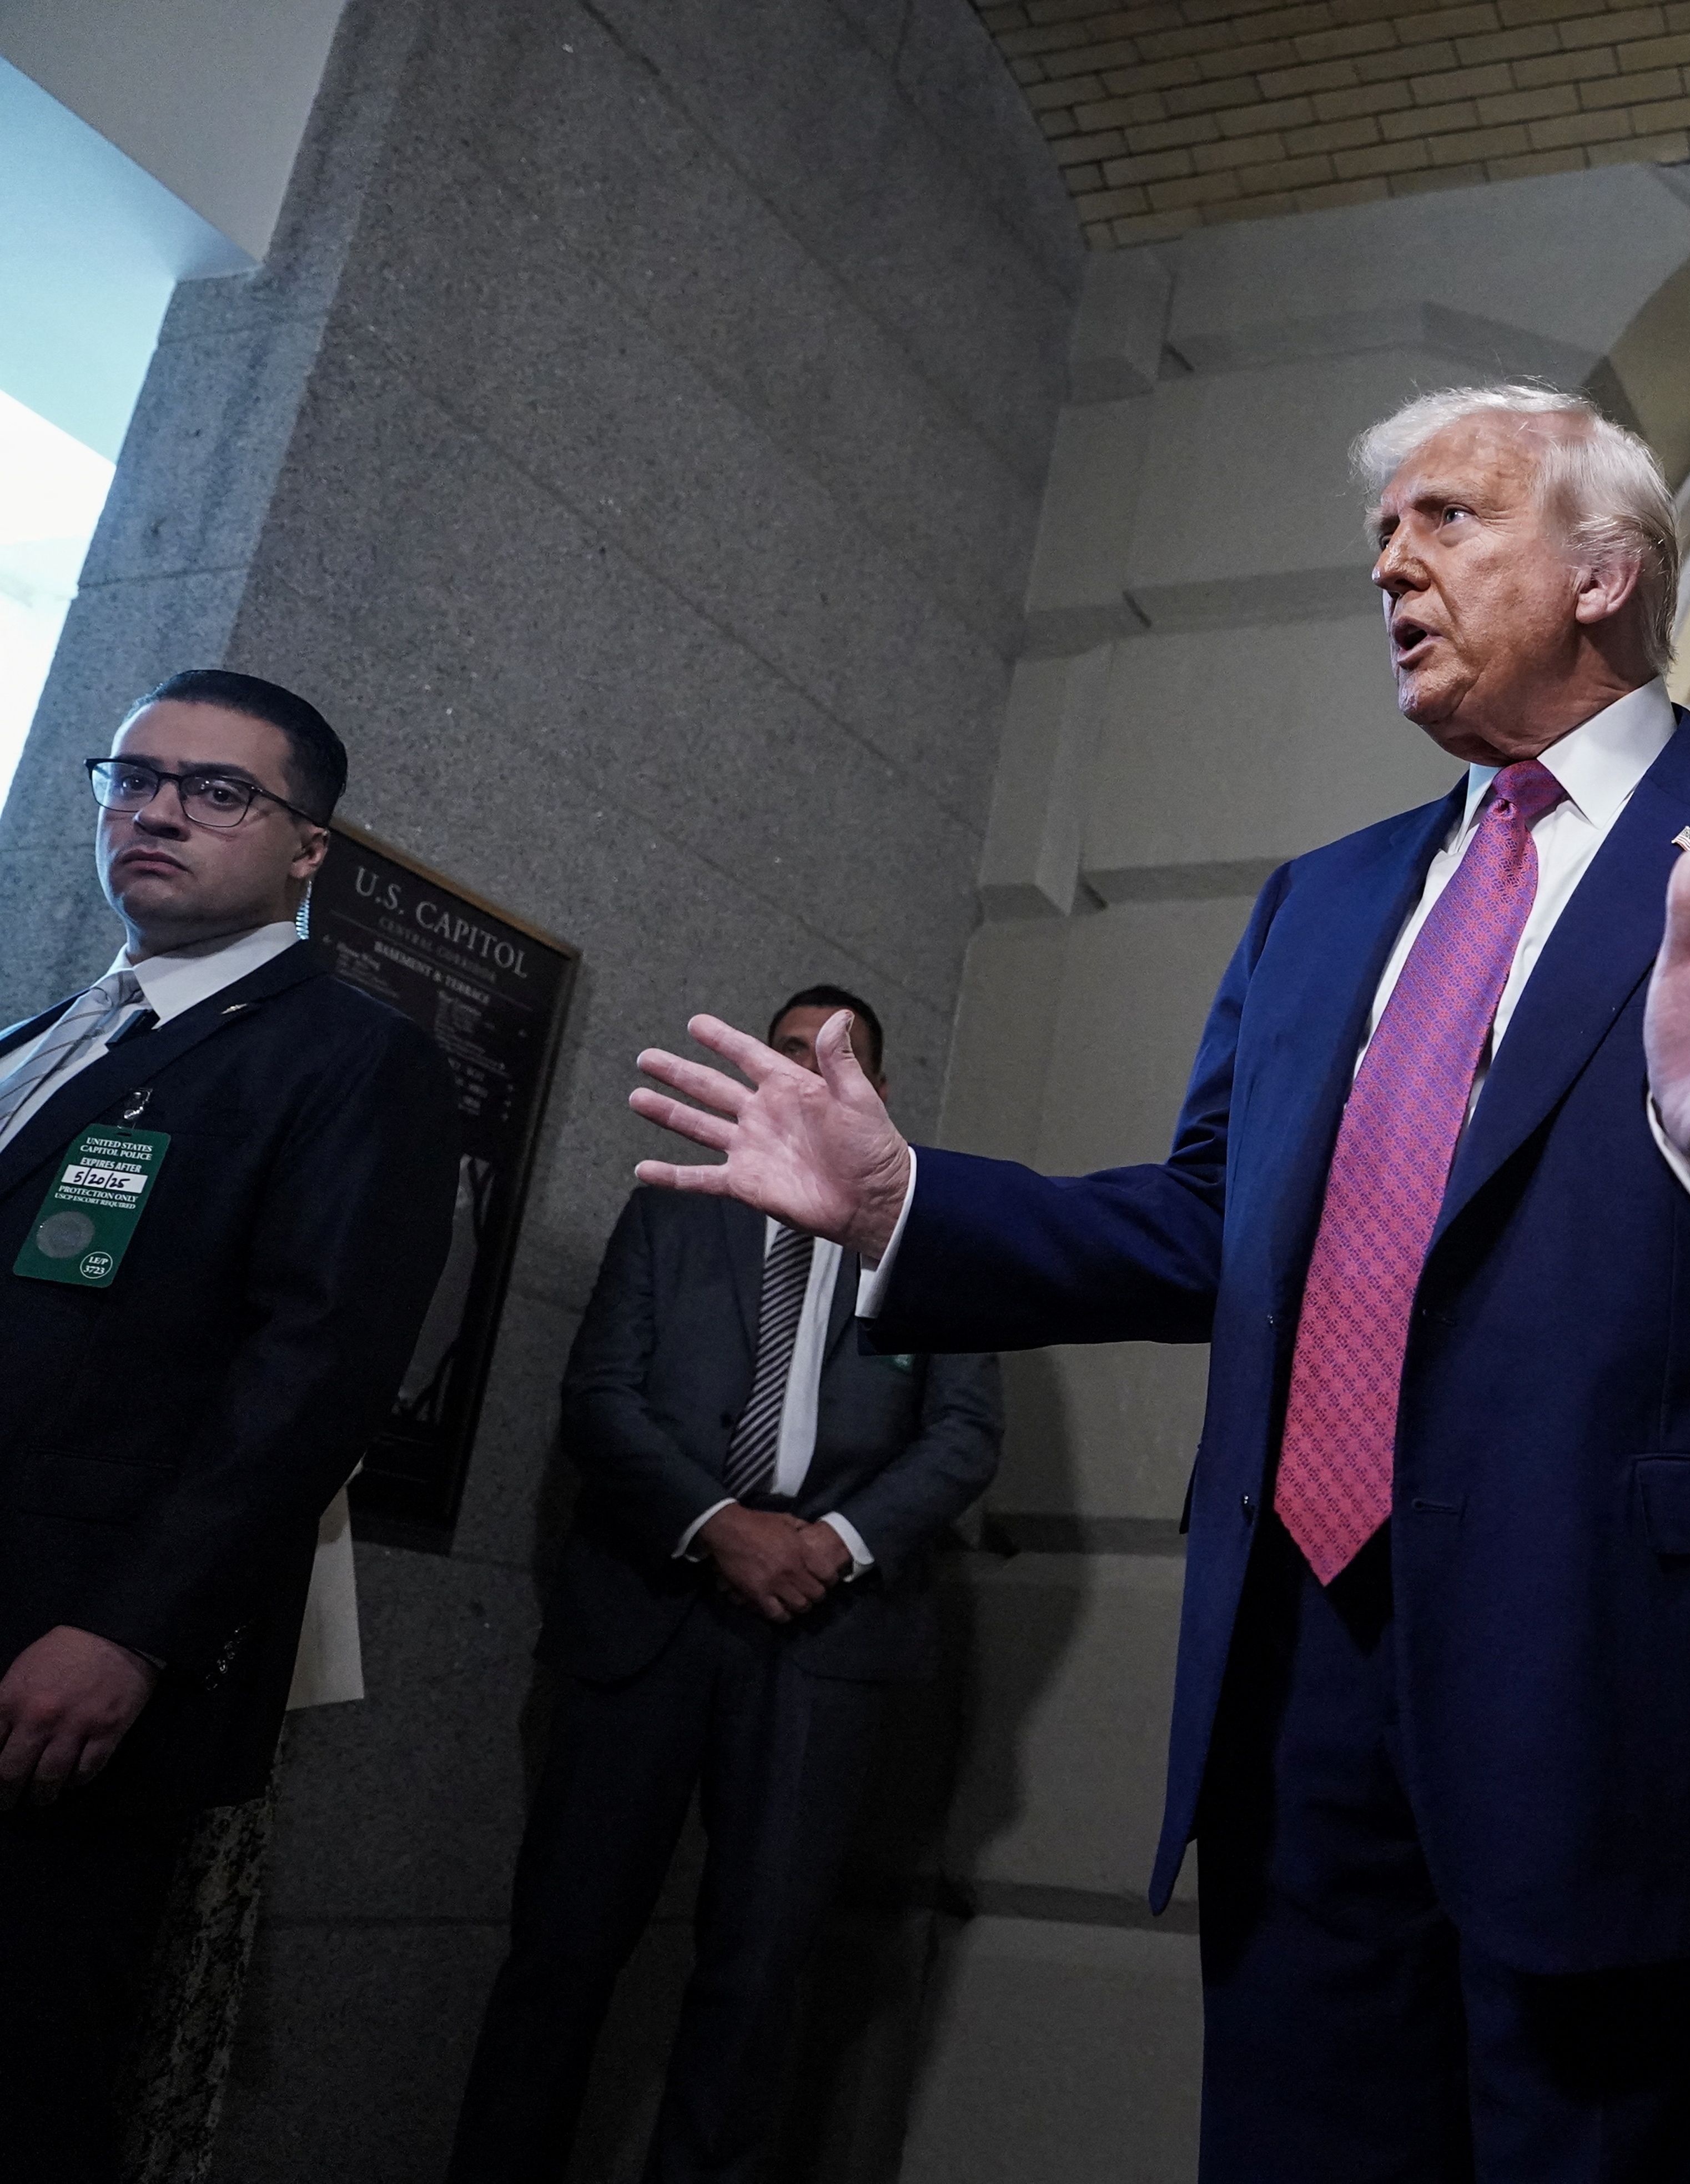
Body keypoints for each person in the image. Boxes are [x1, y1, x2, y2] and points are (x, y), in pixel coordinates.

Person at [626, 383, 1690, 2180]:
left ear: (1604, 568)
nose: (1392, 568)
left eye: (1447, 520)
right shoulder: (1322, 902)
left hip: (1630, 1704)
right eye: (1379, 537)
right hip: (1300, 1680)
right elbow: (1214, 1224)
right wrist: (904, 1206)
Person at [0, 668, 456, 2180]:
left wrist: (131, 1626)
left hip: (60, 1653)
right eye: (130, 779)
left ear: (307, 846)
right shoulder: (41, 1038)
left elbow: (313, 1374)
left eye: (215, 790)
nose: (155, 812)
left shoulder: (350, 1056)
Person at [445, 987, 1003, 2183]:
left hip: (826, 1634)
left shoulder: (930, 1240)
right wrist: (720, 1526)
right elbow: (601, 1395)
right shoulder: (672, 1213)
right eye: (790, 1053)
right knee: (561, 1951)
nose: (808, 1074)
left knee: (759, 1971)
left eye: (837, 1060)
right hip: (648, 1616)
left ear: (878, 1094)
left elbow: (961, 1437)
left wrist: (833, 1541)